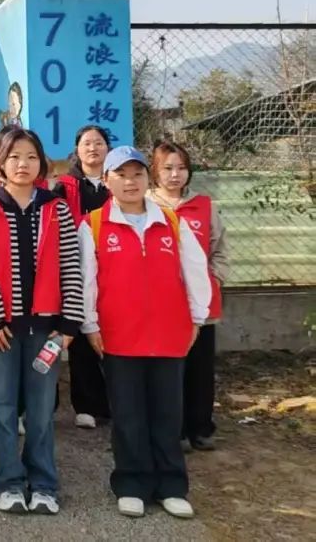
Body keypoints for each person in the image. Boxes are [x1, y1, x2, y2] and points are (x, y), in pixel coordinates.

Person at [80, 146, 210, 520]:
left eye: (137, 174)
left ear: (147, 179)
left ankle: (171, 486)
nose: (130, 182)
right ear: (107, 181)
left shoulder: (171, 222)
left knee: (168, 414)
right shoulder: (93, 225)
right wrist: (91, 325)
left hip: (169, 335)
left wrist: (197, 318)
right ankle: (131, 484)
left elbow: (195, 271)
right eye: (120, 175)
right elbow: (87, 281)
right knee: (128, 414)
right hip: (119, 336)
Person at [0, 128, 83, 515]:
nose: (23, 164)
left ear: (42, 164)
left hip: (46, 329)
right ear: (0, 162)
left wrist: (69, 324)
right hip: (1, 330)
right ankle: (9, 481)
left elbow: (71, 265)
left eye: (31, 157)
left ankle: (44, 483)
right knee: (2, 407)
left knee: (41, 410)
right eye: (14, 156)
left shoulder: (57, 209)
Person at [149, 140, 230, 452]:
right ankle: (175, 430)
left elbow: (220, 250)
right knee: (168, 370)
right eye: (168, 168)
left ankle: (201, 427)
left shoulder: (204, 206)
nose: (175, 174)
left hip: (200, 305)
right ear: (155, 171)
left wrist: (214, 280)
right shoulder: (144, 204)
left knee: (200, 368)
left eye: (181, 168)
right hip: (160, 305)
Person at [52, 125, 112, 429]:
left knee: (111, 334)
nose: (93, 148)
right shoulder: (64, 187)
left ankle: (112, 402)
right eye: (87, 143)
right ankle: (86, 405)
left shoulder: (116, 183)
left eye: (99, 143)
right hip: (74, 268)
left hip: (113, 270)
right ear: (77, 149)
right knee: (79, 335)